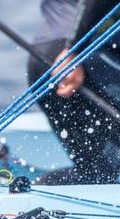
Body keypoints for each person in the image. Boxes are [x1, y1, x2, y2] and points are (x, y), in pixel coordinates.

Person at [28, 0, 120, 184]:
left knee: (98, 173)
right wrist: (73, 49)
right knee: (104, 173)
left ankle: (32, 196)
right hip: (77, 62)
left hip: (46, 58)